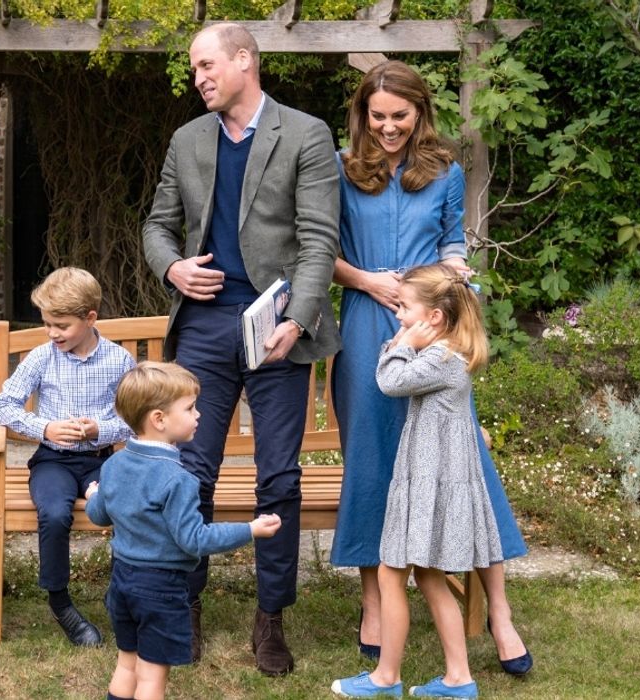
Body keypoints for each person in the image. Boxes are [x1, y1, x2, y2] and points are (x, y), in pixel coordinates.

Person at [141, 22, 341, 675]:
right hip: (202, 327)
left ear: (244, 61)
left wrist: (300, 318)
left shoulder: (305, 134)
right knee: (189, 475)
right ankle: (186, 605)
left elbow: (317, 241)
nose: (197, 78)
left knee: (277, 478)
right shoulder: (186, 140)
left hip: (276, 328)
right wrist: (171, 268)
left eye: (205, 65)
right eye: (194, 68)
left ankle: (270, 618)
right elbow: (155, 225)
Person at [328, 60, 531, 676]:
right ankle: (373, 600)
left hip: (433, 326)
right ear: (363, 114)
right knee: (372, 455)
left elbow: (452, 239)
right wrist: (369, 281)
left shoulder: (444, 170)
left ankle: (498, 610)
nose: (388, 127)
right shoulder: (340, 169)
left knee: (462, 455)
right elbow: (322, 250)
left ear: (420, 113)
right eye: (378, 116)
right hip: (367, 323)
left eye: (400, 116)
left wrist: (452, 270)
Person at [333, 264, 500, 699]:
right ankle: (459, 679)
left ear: (435, 318)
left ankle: (385, 678)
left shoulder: (440, 358)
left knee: (391, 574)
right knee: (428, 577)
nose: (399, 316)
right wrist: (407, 339)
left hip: (429, 485)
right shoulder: (445, 354)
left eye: (406, 308)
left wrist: (403, 341)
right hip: (429, 479)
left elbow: (388, 381)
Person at [85, 362, 283, 700]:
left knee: (127, 665)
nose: (199, 415)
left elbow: (100, 515)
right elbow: (195, 540)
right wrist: (250, 529)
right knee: (150, 679)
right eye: (190, 408)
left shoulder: (114, 464)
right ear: (159, 419)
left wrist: (93, 495)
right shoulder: (179, 480)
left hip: (122, 581)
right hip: (160, 589)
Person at [0, 267, 136, 647]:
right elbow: (2, 405)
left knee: (125, 507)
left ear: (90, 318)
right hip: (52, 461)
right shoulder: (42, 358)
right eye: (47, 324)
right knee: (54, 513)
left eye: (61, 325)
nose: (53, 333)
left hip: (102, 461)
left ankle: (120, 596)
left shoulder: (119, 361)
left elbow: (135, 419)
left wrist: (98, 430)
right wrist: (44, 428)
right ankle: (60, 602)